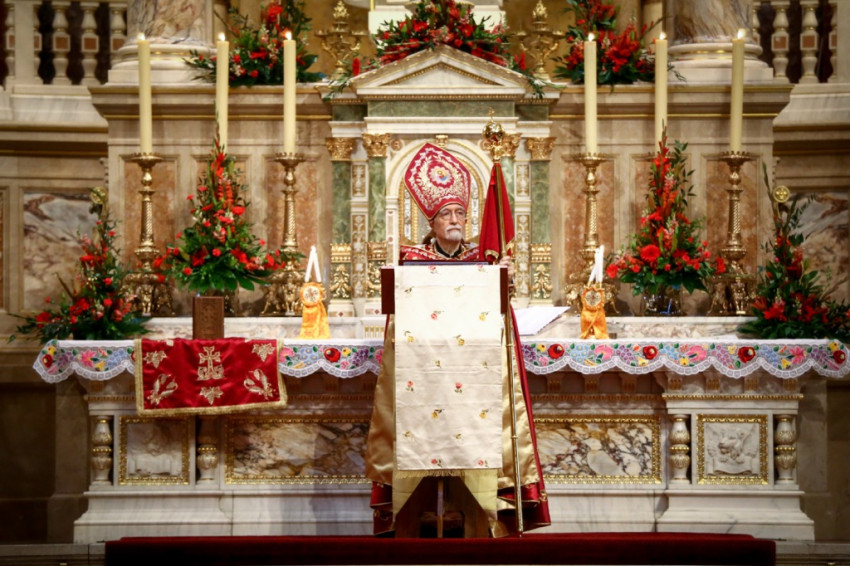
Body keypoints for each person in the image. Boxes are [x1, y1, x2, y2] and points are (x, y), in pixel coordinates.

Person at [364, 143, 550, 537]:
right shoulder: (412, 261)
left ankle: (482, 510)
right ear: (431, 222)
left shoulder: (483, 261)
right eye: (446, 214)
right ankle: (412, 511)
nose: (455, 220)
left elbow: (496, 312)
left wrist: (501, 278)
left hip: (472, 379)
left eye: (460, 213)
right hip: (423, 377)